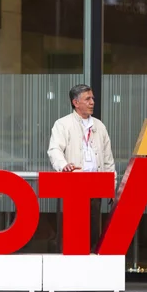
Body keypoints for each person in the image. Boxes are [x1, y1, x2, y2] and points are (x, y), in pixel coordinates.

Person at [47, 84, 116, 251]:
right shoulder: (63, 124)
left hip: (95, 184)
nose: (92, 102)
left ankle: (91, 265)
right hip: (74, 184)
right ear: (75, 102)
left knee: (93, 229)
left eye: (92, 98)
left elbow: (108, 159)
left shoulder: (99, 126)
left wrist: (111, 186)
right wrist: (64, 165)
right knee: (72, 228)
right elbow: (54, 149)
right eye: (88, 99)